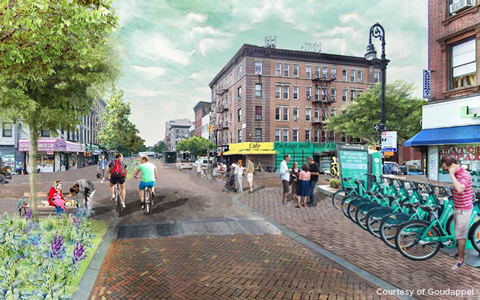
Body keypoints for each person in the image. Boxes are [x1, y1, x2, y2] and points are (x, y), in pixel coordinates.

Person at [441, 155, 473, 271]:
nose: (446, 171)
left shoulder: (465, 175)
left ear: (453, 166)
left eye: (446, 169)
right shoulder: (456, 174)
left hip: (463, 210)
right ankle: (460, 253)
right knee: (458, 233)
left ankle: (460, 260)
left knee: (460, 236)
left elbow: (460, 189)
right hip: (457, 208)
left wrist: (451, 175)